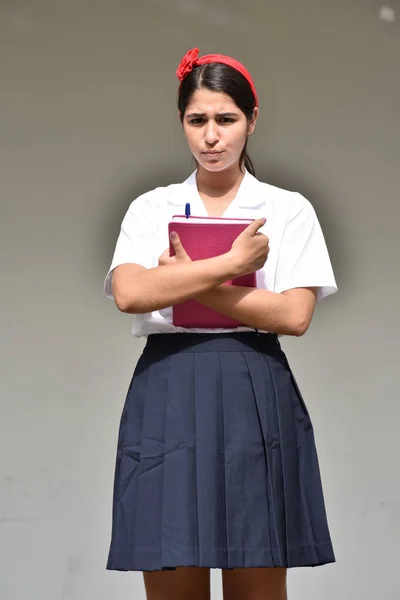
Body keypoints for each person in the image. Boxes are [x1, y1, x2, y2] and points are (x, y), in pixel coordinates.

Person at [104, 47, 337, 600]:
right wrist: (233, 265)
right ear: (182, 122)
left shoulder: (287, 210)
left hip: (254, 384)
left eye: (226, 119)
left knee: (256, 579)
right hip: (168, 390)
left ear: (252, 120)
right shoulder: (151, 208)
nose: (212, 135)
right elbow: (131, 292)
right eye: (197, 120)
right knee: (172, 573)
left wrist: (189, 279)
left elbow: (293, 315)